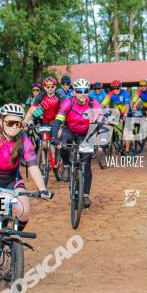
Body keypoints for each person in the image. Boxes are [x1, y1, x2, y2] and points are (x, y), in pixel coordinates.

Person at [0, 104, 51, 229]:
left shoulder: (24, 141)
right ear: (2, 121)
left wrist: (42, 188)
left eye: (18, 123)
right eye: (10, 122)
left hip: (12, 179)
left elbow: (33, 167)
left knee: (24, 212)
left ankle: (14, 240)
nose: (14, 127)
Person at [51, 78, 102, 207]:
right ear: (75, 92)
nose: (83, 93)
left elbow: (100, 119)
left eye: (85, 91)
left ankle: (85, 196)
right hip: (70, 130)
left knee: (86, 165)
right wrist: (54, 138)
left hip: (86, 133)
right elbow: (57, 122)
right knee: (63, 142)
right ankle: (67, 166)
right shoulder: (68, 103)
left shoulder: (93, 103)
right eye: (80, 91)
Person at [102, 79, 132, 151]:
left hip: (127, 113)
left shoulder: (125, 94)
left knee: (126, 132)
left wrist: (125, 116)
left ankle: (127, 151)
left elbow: (127, 106)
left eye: (117, 88)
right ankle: (115, 138)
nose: (116, 90)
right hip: (117, 113)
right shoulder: (110, 94)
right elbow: (102, 104)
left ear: (120, 87)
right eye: (114, 88)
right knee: (108, 123)